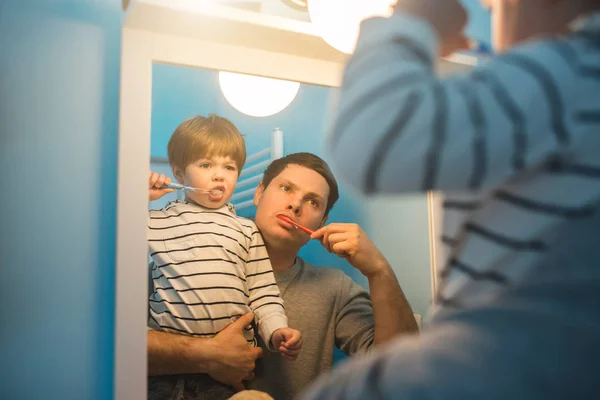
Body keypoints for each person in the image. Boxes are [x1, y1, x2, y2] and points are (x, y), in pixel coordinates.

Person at [301, 0, 600, 398]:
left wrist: (414, 20)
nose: (491, 19)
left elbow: (373, 138)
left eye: (493, 7)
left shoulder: (566, 73)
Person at [147, 152, 419, 399]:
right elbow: (118, 350)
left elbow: (402, 376)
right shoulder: (172, 263)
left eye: (312, 201)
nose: (295, 205)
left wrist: (379, 271)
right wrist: (206, 355)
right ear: (259, 193)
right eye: (286, 188)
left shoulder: (334, 290)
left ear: (321, 223)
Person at [146, 115, 302, 400]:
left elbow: (264, 293)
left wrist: (277, 329)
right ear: (180, 174)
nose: (219, 175)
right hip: (164, 374)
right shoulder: (154, 222)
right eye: (206, 165)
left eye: (229, 167)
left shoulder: (245, 230)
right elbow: (112, 241)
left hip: (225, 378)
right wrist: (138, 197)